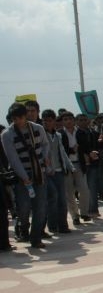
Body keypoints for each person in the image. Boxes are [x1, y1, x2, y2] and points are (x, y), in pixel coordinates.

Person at [2, 103, 50, 248]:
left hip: (39, 172)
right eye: (14, 119)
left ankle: (35, 238)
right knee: (23, 206)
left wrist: (45, 157)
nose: (17, 121)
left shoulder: (37, 128)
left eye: (20, 118)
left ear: (25, 116)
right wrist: (24, 176)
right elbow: (13, 158)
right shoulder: (7, 135)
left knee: (40, 206)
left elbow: (45, 144)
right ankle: (23, 226)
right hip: (21, 175)